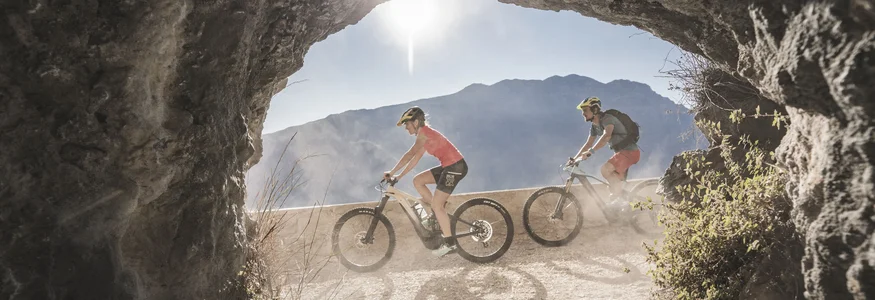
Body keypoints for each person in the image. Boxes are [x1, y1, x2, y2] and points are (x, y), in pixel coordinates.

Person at [383, 106, 468, 257]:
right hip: (449, 166)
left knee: (436, 204)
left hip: (456, 167)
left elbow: (409, 155)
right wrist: (399, 177)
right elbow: (415, 160)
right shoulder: (424, 136)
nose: (406, 128)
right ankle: (437, 212)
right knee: (418, 180)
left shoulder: (424, 134)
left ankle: (450, 243)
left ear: (416, 122)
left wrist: (392, 172)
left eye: (407, 124)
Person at [569, 96, 641, 202]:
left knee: (605, 169)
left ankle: (619, 197)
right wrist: (574, 159)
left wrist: (590, 152)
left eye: (585, 110)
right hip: (622, 154)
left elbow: (606, 136)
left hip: (630, 152)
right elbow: (588, 143)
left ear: (595, 109)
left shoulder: (608, 119)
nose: (583, 113)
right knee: (614, 185)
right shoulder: (595, 126)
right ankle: (624, 203)